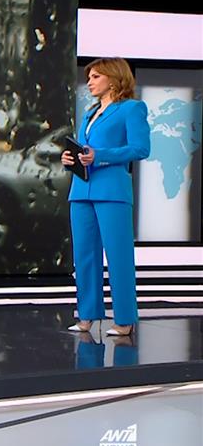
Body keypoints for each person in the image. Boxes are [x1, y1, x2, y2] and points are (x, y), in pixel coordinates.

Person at [62, 57, 150, 337]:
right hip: (81, 191)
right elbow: (85, 149)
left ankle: (124, 320)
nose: (89, 82)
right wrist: (70, 159)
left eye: (96, 76)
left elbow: (140, 148)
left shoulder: (132, 109)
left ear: (113, 79)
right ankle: (87, 316)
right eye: (89, 77)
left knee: (118, 256)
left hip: (112, 192)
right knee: (84, 257)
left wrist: (100, 156)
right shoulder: (89, 114)